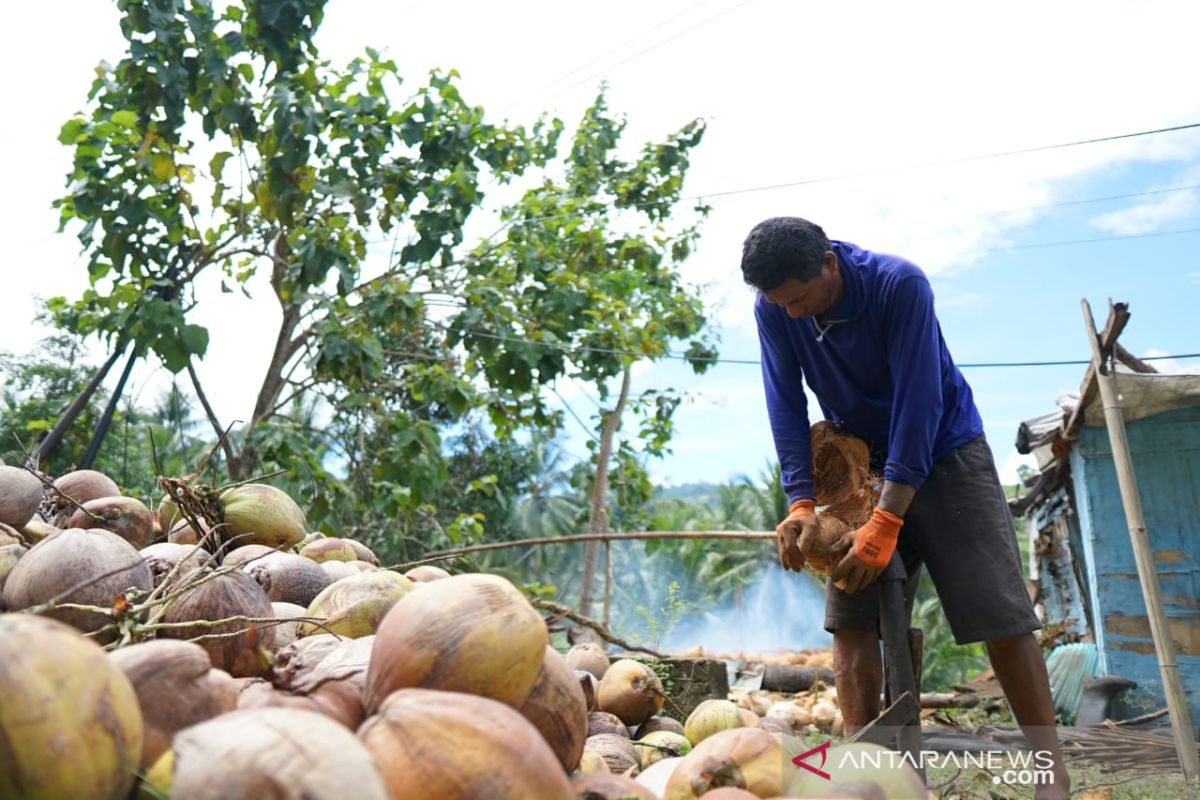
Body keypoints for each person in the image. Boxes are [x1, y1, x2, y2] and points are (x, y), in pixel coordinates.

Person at [741, 217, 1069, 798]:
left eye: (799, 299)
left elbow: (919, 403)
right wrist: (801, 503)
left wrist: (888, 519)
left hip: (944, 453)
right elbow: (784, 401)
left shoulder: (900, 285)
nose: (791, 313)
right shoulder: (776, 309)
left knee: (1001, 616)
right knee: (850, 620)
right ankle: (867, 775)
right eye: (778, 304)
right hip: (855, 462)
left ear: (829, 266)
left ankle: (1051, 776)